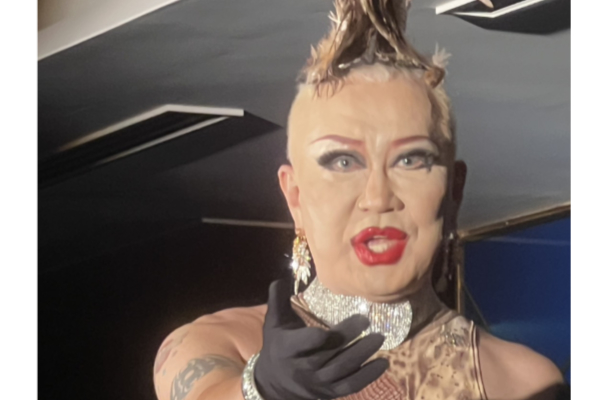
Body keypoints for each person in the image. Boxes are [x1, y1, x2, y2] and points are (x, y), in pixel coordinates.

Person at [153, 1, 566, 399]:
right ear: (295, 196)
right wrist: (261, 390)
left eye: (410, 160)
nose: (378, 198)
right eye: (343, 162)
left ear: (453, 190)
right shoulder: (220, 343)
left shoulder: (521, 381)